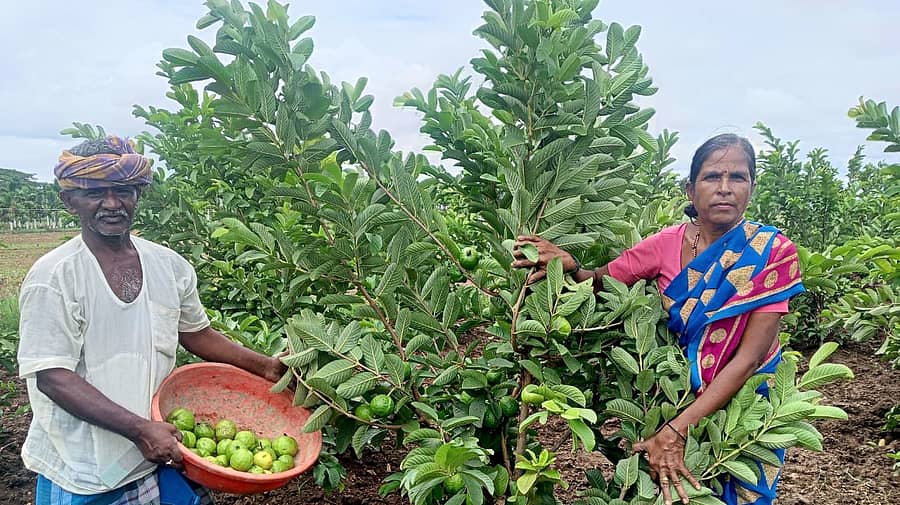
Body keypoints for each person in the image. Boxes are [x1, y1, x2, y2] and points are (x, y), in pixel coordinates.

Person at [513, 134, 805, 505]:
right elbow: (603, 282)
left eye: (739, 178)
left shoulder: (772, 252)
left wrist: (675, 431)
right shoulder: (663, 244)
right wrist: (568, 267)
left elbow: (747, 359)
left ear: (752, 187)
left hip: (743, 408)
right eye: (713, 177)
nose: (726, 189)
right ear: (690, 189)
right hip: (672, 393)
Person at [17, 137, 287, 505]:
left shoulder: (169, 265)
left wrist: (267, 367)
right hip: (87, 465)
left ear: (137, 195)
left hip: (161, 449)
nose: (112, 204)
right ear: (69, 201)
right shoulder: (54, 277)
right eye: (96, 192)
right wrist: (139, 430)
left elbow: (197, 333)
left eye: (124, 191)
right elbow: (52, 377)